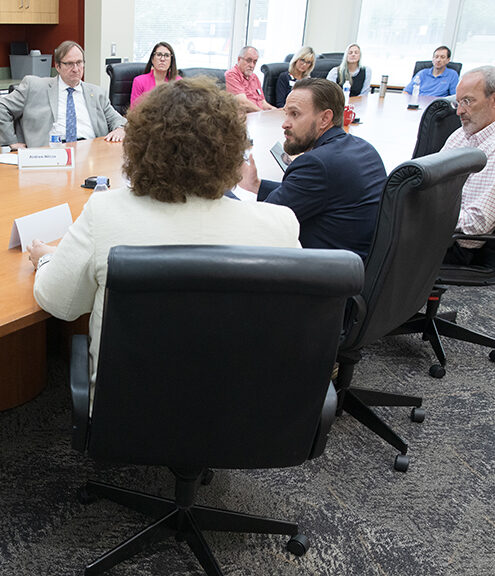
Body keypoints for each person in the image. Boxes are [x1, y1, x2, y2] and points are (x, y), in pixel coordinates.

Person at [27, 77, 300, 384]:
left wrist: (48, 258)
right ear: (232, 149)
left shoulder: (105, 213)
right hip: (244, 412)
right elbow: (292, 330)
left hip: (129, 414)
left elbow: (58, 302)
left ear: (140, 147)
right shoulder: (279, 225)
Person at [238, 78, 386, 260]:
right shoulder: (364, 148)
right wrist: (256, 185)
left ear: (325, 118)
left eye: (295, 114)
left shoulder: (316, 164)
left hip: (325, 275)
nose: (285, 123)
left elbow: (264, 221)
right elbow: (310, 194)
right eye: (286, 113)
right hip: (357, 266)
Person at [0, 40, 126, 149]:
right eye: (69, 64)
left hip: (90, 152)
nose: (75, 69)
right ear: (57, 66)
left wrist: (120, 129)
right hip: (48, 154)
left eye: (79, 63)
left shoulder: (96, 93)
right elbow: (1, 109)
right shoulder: (34, 86)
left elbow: (118, 120)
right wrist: (11, 142)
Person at [442, 66, 495, 267]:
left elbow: (477, 224)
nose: (459, 111)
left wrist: (425, 215)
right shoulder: (461, 135)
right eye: (458, 101)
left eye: (468, 101)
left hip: (458, 245)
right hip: (439, 224)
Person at [225, 46, 276, 113]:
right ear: (239, 59)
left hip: (257, 116)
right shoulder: (231, 75)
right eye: (248, 61)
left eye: (254, 62)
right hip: (244, 118)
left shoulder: (254, 77)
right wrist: (262, 113)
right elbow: (243, 103)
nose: (252, 65)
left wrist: (277, 111)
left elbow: (263, 103)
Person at [130, 41, 181, 107]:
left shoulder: (178, 82)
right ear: (152, 59)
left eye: (167, 55)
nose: (162, 59)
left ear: (171, 61)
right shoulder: (139, 81)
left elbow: (181, 109)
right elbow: (134, 110)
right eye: (159, 55)